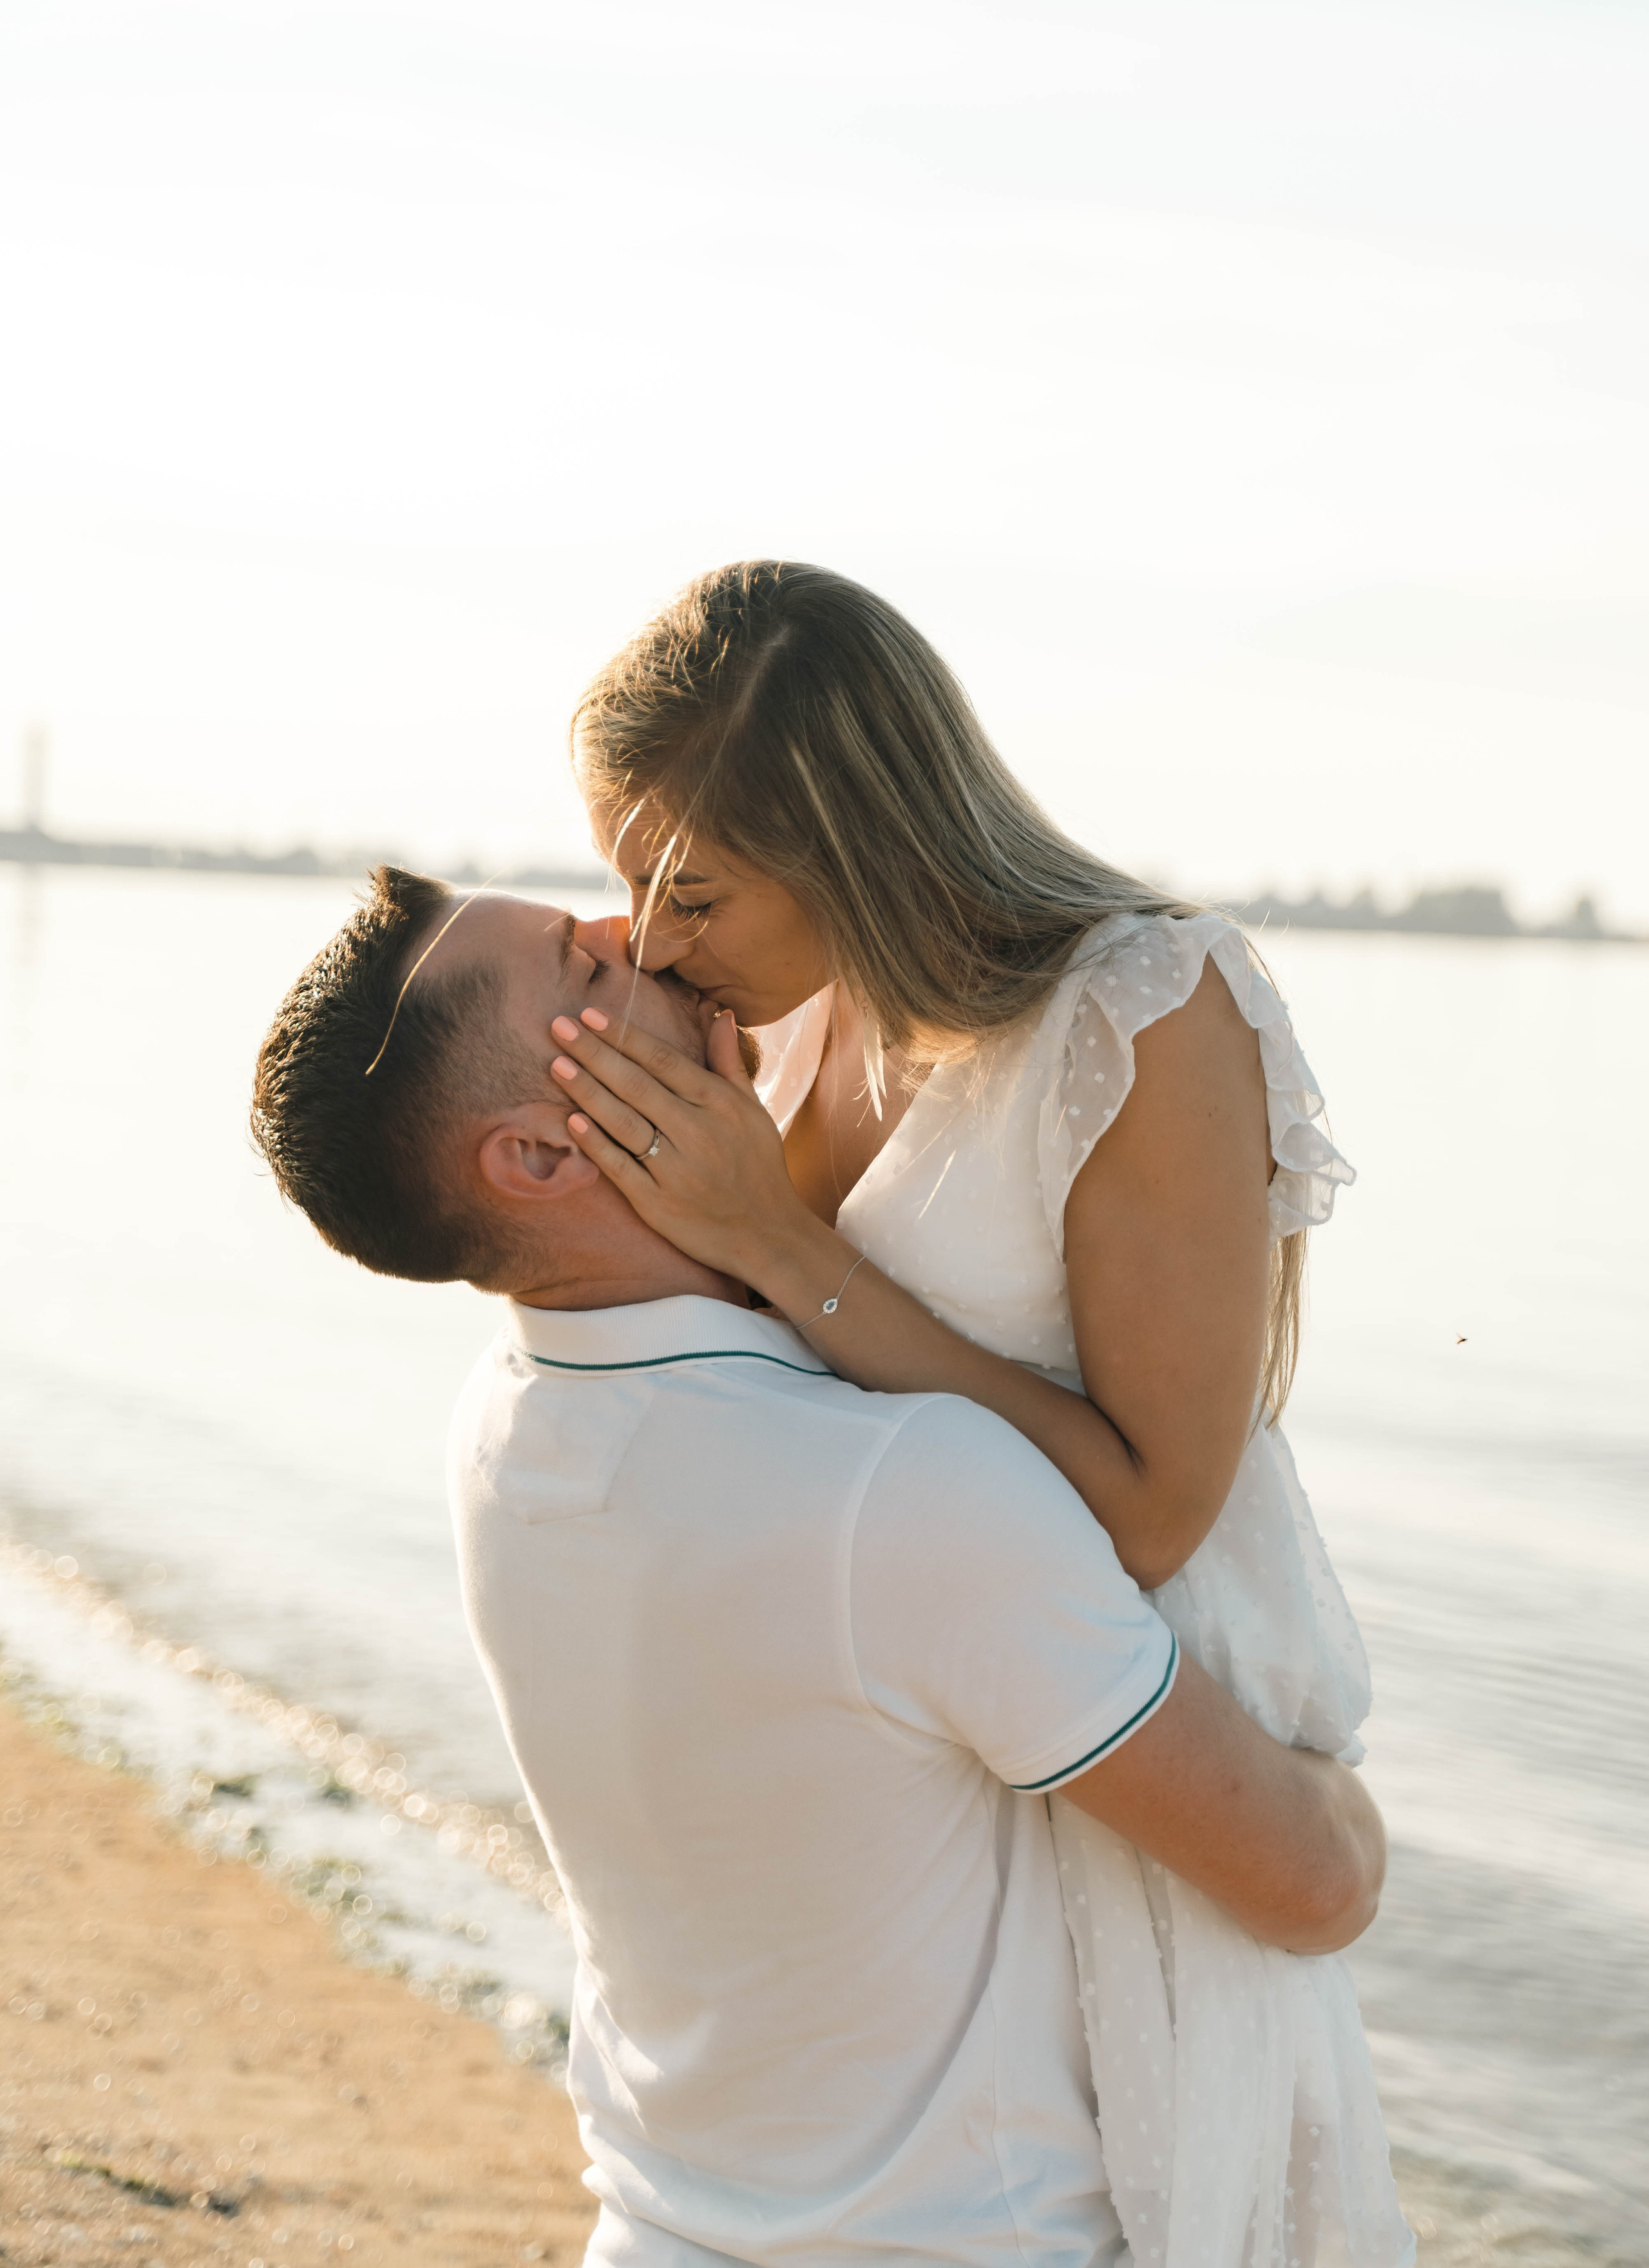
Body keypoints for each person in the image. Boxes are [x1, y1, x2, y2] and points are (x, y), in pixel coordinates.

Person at [251, 871, 1389, 2268]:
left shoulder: (502, 1428)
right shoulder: (897, 1495)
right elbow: (1311, 1887)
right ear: (539, 1161)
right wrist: (1335, 1787)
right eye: (585, 973)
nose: (636, 930)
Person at [555, 561, 1413, 2268]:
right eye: (622, 888)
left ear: (846, 830)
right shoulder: (799, 1032)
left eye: (693, 892)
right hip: (936, 1791)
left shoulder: (1148, 1008)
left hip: (1143, 1783)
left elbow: (1157, 1510)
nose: (657, 941)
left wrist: (778, 1242)